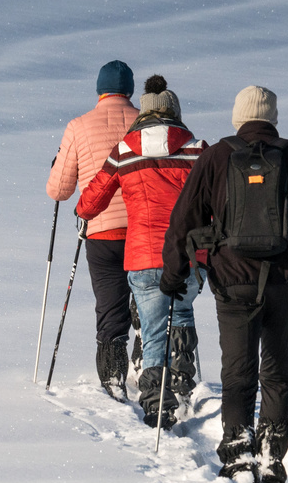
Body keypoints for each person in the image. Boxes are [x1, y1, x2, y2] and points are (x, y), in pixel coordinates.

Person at [160, 85, 288, 483]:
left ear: (238, 117)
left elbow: (182, 220)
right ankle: (273, 459)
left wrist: (173, 276)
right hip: (287, 283)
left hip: (232, 280)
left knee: (237, 372)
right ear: (273, 118)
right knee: (277, 374)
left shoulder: (216, 156)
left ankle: (238, 455)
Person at [76, 75, 206, 428]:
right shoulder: (197, 149)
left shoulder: (125, 151)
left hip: (143, 256)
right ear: (176, 113)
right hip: (189, 256)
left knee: (151, 332)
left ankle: (155, 401)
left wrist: (82, 212)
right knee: (180, 313)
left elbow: (96, 195)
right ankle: (180, 375)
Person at [47, 60, 140, 399]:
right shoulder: (147, 124)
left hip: (101, 231)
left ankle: (113, 375)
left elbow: (59, 190)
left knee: (110, 304)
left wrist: (58, 164)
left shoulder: (79, 126)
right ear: (130, 89)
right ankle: (147, 357)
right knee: (148, 295)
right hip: (147, 229)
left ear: (100, 90)